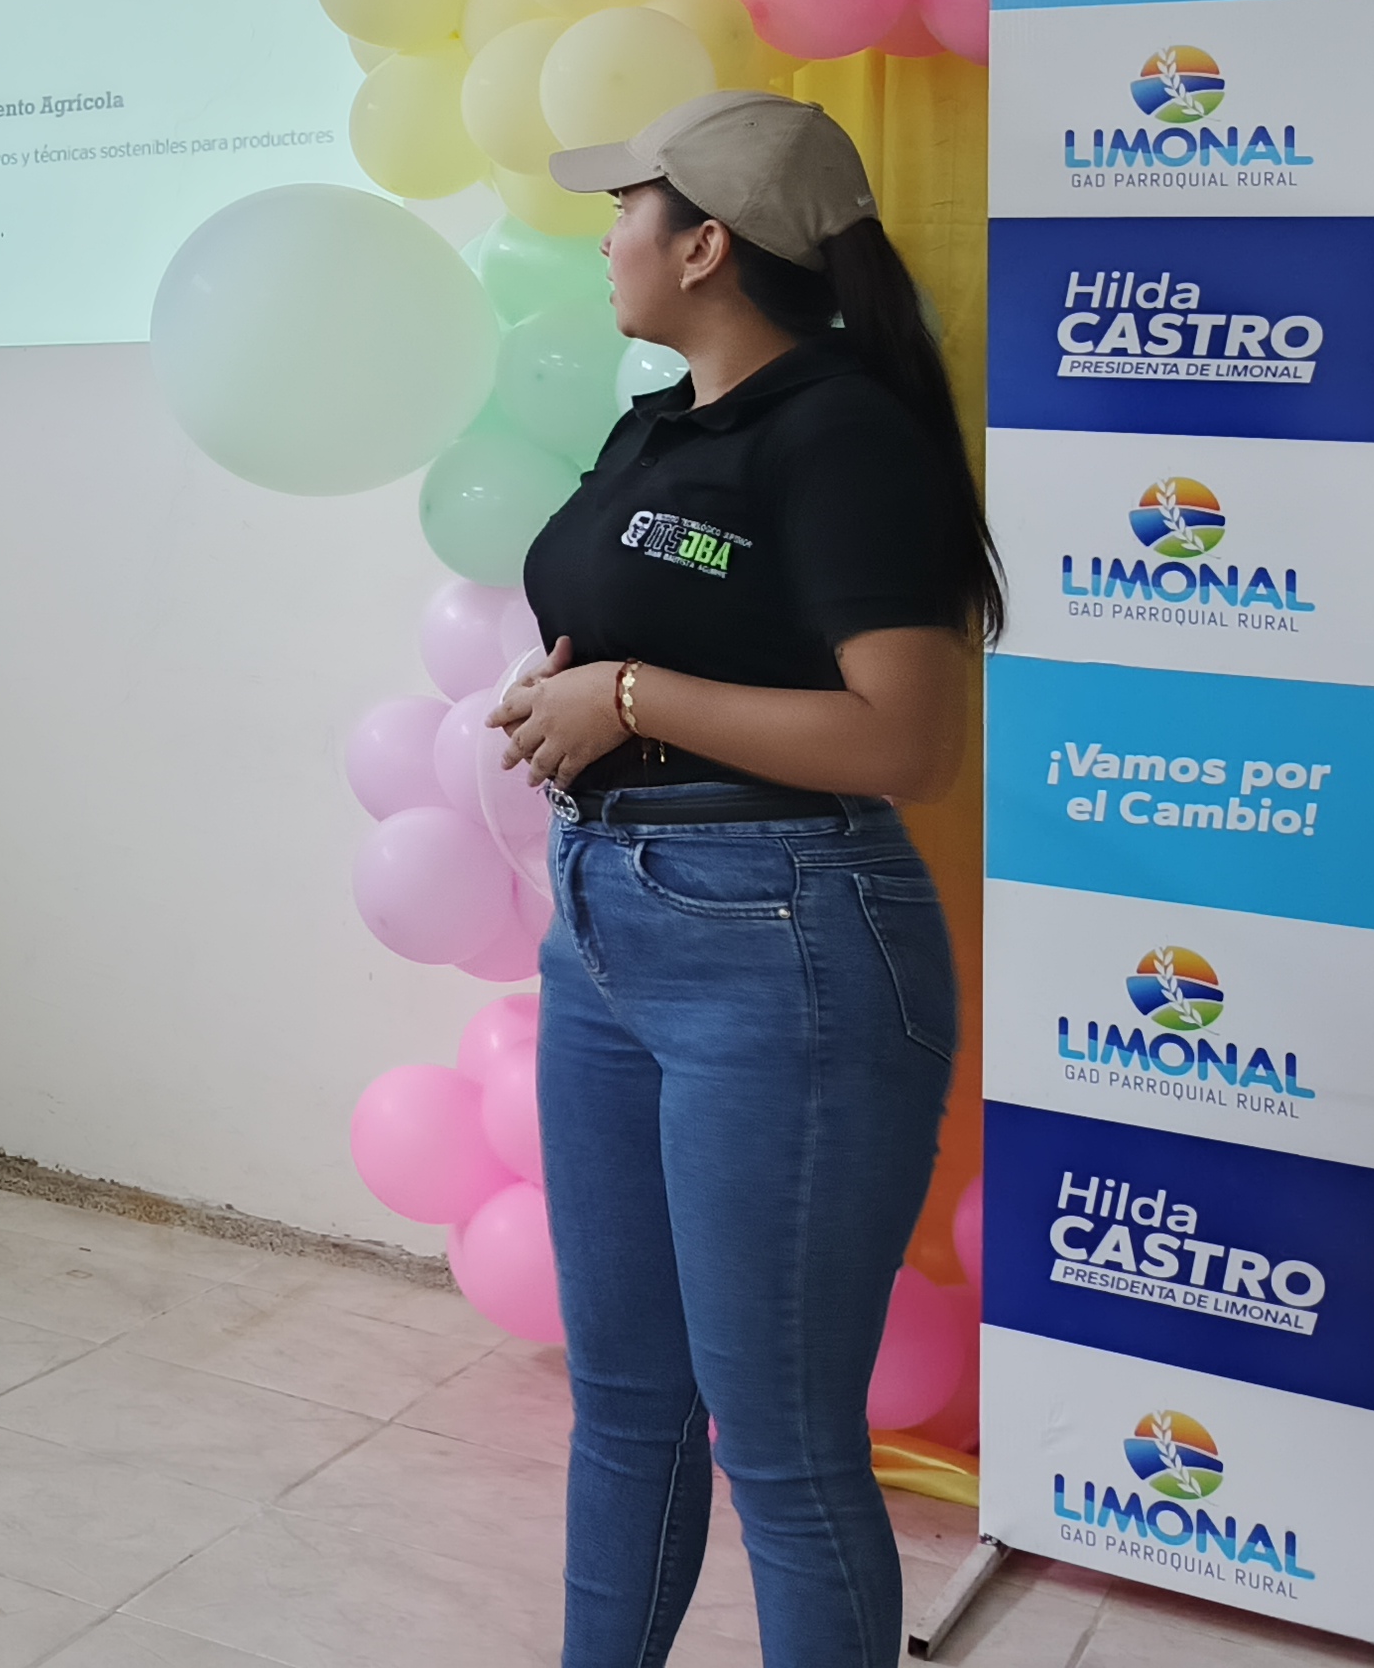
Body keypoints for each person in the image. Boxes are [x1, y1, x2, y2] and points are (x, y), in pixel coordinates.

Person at [487, 90, 999, 1668]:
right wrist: (570, 689)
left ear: (705, 244)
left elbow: (906, 739)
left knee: (779, 1444)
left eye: (627, 207)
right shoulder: (663, 424)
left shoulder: (841, 433)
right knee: (625, 1402)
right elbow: (649, 624)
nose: (606, 236)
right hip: (608, 927)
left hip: (784, 946)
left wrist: (631, 696)